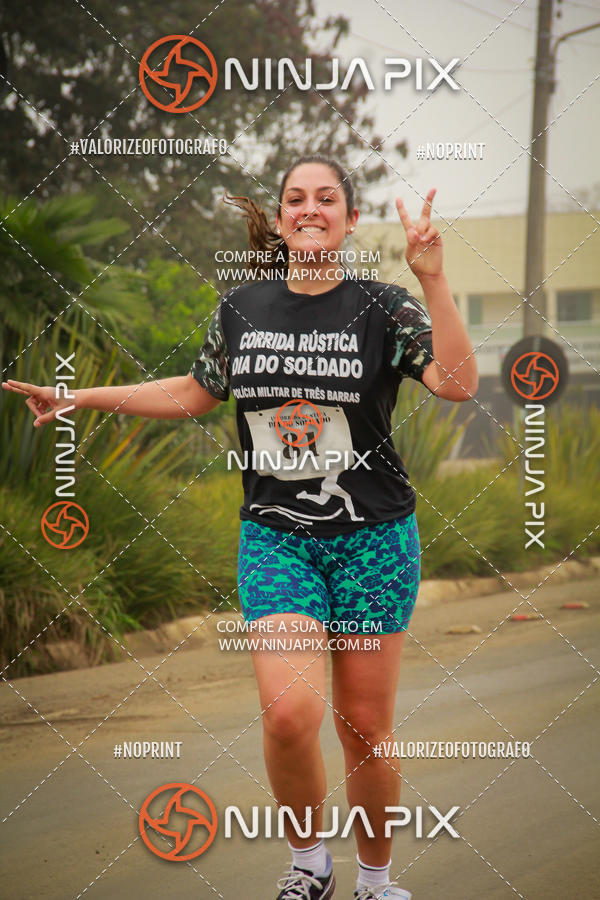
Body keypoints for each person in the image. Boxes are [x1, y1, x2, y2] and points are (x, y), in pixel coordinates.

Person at [2, 155, 478, 899]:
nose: (310, 209)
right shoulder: (243, 308)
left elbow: (457, 383)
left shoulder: (386, 307)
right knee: (291, 713)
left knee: (363, 726)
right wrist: (82, 396)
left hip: (374, 539)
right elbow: (193, 393)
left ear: (351, 219)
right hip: (277, 537)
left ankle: (376, 881)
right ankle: (309, 864)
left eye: (328, 198)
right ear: (282, 218)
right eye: (296, 199)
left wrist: (433, 277)